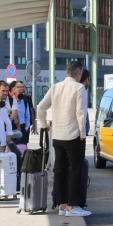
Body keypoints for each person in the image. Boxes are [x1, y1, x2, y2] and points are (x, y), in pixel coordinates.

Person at [37, 61, 89, 217]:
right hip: (73, 135)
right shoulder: (79, 88)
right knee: (75, 171)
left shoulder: (55, 87)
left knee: (60, 171)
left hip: (57, 135)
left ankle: (62, 205)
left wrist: (44, 124)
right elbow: (81, 113)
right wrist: (83, 133)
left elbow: (40, 107)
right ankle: (73, 206)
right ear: (78, 74)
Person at [79, 69, 91, 134]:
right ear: (86, 79)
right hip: (79, 134)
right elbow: (81, 112)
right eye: (89, 79)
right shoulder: (81, 90)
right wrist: (83, 133)